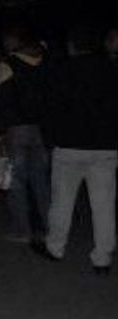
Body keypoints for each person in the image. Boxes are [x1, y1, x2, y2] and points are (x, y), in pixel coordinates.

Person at [33, 26, 118, 274]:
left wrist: (50, 139)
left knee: (62, 201)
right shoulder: (111, 70)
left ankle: (55, 247)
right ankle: (102, 258)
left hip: (68, 146)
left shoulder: (60, 71)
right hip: (105, 146)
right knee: (103, 204)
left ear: (71, 46)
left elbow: (47, 108)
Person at [0, 24, 51, 244]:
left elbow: (3, 102)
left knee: (17, 181)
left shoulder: (8, 64)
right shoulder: (45, 61)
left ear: (14, 41)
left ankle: (22, 230)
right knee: (41, 180)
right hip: (42, 128)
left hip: (17, 129)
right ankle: (47, 226)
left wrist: (0, 133)